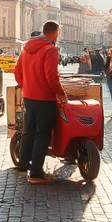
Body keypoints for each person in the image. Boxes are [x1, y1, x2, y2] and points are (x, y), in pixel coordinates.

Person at [13, 20, 68, 185]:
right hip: (45, 98)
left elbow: (17, 71)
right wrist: (61, 93)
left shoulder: (27, 48)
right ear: (55, 33)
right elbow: (52, 76)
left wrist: (26, 86)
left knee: (28, 130)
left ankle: (23, 164)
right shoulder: (50, 49)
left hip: (29, 97)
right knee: (42, 133)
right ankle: (36, 172)